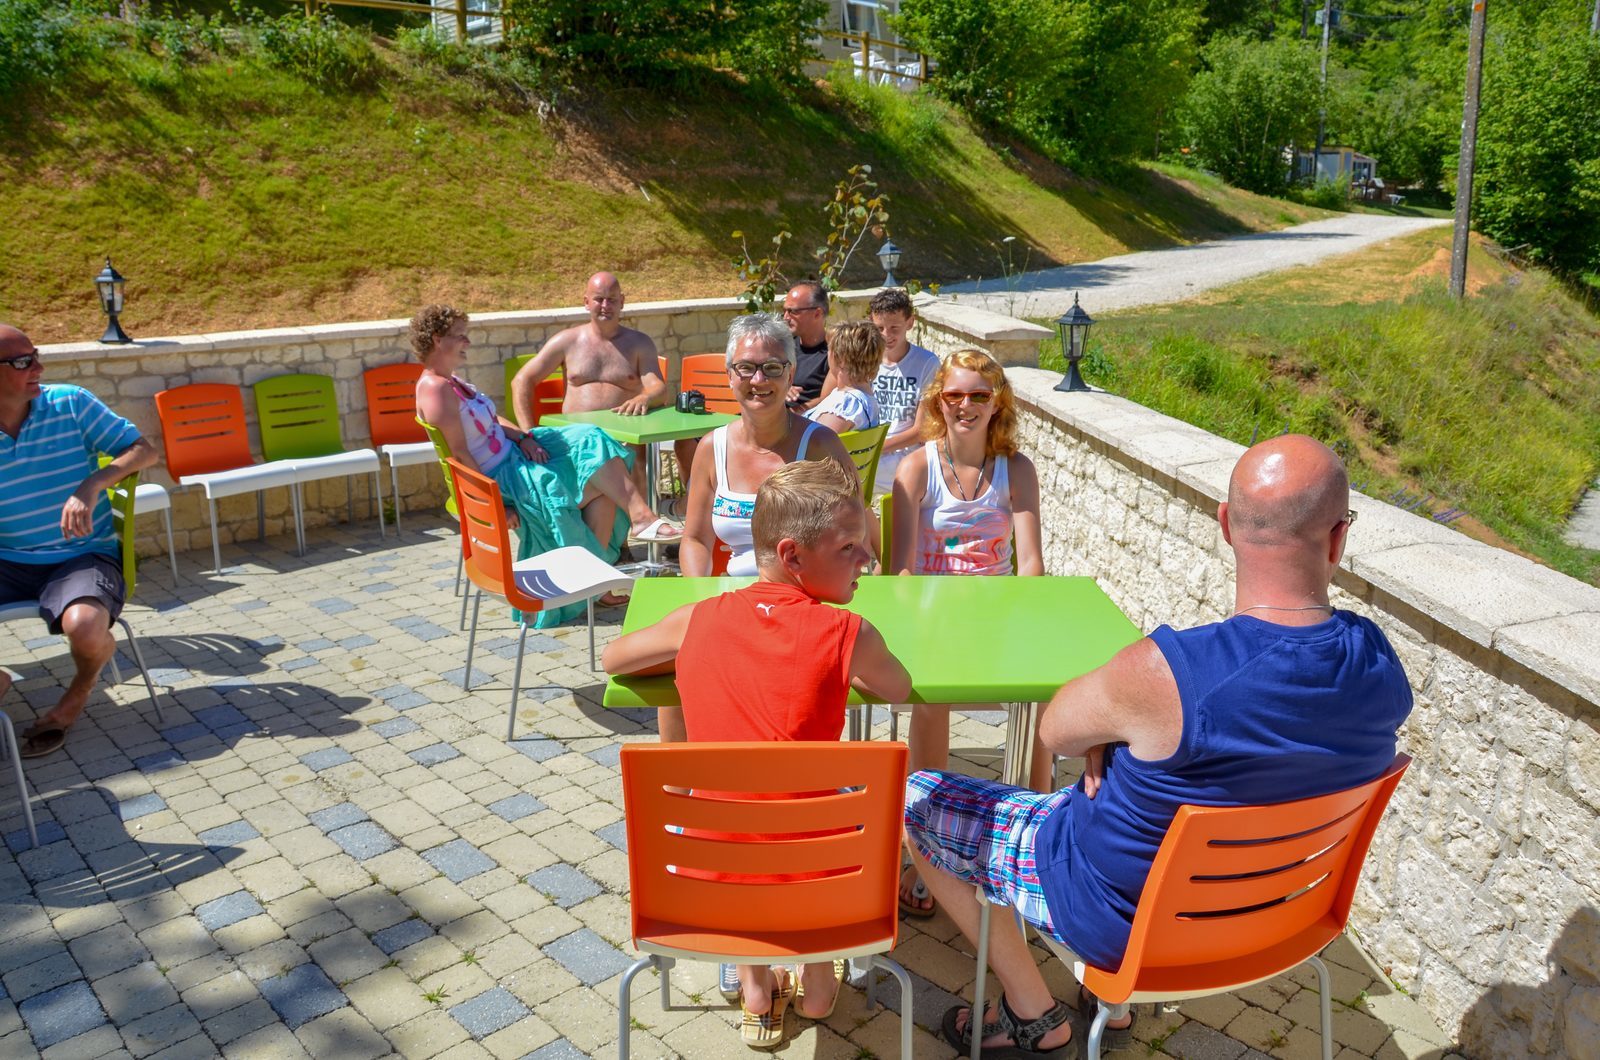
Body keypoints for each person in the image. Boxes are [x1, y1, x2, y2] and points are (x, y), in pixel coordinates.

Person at [904, 435, 1414, 1058]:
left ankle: (1030, 1012)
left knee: (919, 800)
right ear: (1338, 539)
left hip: (1117, 922)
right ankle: (1107, 1009)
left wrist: (1113, 730)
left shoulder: (1170, 674)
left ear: (1225, 525)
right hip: (1272, 918)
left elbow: (1054, 729)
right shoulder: (1380, 666)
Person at [603, 458, 912, 1050]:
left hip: (708, 883)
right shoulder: (851, 634)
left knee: (738, 817)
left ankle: (754, 989)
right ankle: (819, 990)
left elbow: (614, 661)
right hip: (831, 881)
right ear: (793, 555)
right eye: (850, 548)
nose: (868, 561)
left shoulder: (697, 619)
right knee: (811, 816)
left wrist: (693, 654)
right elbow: (895, 688)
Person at [890, 349, 1044, 917]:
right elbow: (901, 571)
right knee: (933, 699)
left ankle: (1033, 835)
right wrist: (931, 622)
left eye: (979, 395)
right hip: (933, 615)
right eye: (954, 395)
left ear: (997, 402)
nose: (966, 406)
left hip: (995, 613)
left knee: (1044, 695)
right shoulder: (917, 467)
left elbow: (1029, 564)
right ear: (937, 401)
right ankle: (922, 845)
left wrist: (1025, 625)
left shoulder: (1016, 470)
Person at [411, 305, 679, 626]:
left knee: (591, 440)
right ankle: (611, 564)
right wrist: (494, 505)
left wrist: (524, 437)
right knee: (601, 486)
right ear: (439, 340)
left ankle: (635, 526)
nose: (467, 341)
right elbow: (460, 457)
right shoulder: (435, 390)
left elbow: (492, 419)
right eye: (460, 335)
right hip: (508, 477)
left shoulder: (450, 381)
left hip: (516, 452)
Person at [675, 314, 855, 737]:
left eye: (773, 367)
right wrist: (698, 593)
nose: (759, 379)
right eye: (747, 367)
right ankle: (683, 789)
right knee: (674, 675)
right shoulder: (711, 448)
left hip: (801, 609)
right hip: (731, 604)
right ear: (730, 375)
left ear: (790, 373)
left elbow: (850, 535)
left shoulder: (822, 446)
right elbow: (696, 537)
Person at [0, 324, 159, 758]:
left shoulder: (69, 403)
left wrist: (93, 483)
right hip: (6, 560)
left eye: (36, 355)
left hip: (81, 557)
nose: (39, 367)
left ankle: (77, 694)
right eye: (22, 362)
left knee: (86, 629)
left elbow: (144, 450)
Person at [508, 271, 696, 513]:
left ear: (622, 302)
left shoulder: (639, 343)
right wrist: (528, 434)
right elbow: (522, 380)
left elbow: (659, 388)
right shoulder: (567, 341)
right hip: (575, 438)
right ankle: (620, 542)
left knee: (635, 457)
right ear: (586, 302)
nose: (605, 305)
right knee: (607, 460)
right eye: (599, 299)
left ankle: (629, 538)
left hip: (625, 435)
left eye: (612, 299)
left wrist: (645, 397)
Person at [867, 287, 940, 495]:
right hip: (870, 450)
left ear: (910, 323)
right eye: (879, 328)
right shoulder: (867, 359)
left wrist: (876, 448)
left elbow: (921, 430)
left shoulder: (927, 363)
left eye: (894, 328)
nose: (886, 335)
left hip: (905, 455)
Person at [805, 321, 882, 434]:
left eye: (829, 349)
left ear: (841, 360)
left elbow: (815, 444)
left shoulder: (846, 404)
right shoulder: (865, 398)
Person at [781, 281, 831, 409]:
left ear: (817, 313)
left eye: (793, 311)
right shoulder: (783, 347)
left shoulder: (834, 354)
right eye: (785, 310)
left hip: (804, 422)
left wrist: (790, 416)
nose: (786, 317)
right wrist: (781, 387)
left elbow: (829, 400)